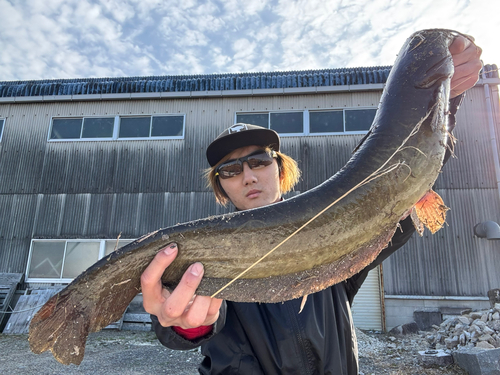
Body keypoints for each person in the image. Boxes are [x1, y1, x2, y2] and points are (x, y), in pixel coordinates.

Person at [140, 35, 483, 374]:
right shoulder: (207, 253)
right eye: (230, 170)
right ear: (221, 187)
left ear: (280, 167)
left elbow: (399, 178)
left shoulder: (340, 236)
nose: (247, 176)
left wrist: (442, 103)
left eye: (259, 161)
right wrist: (187, 324)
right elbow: (189, 322)